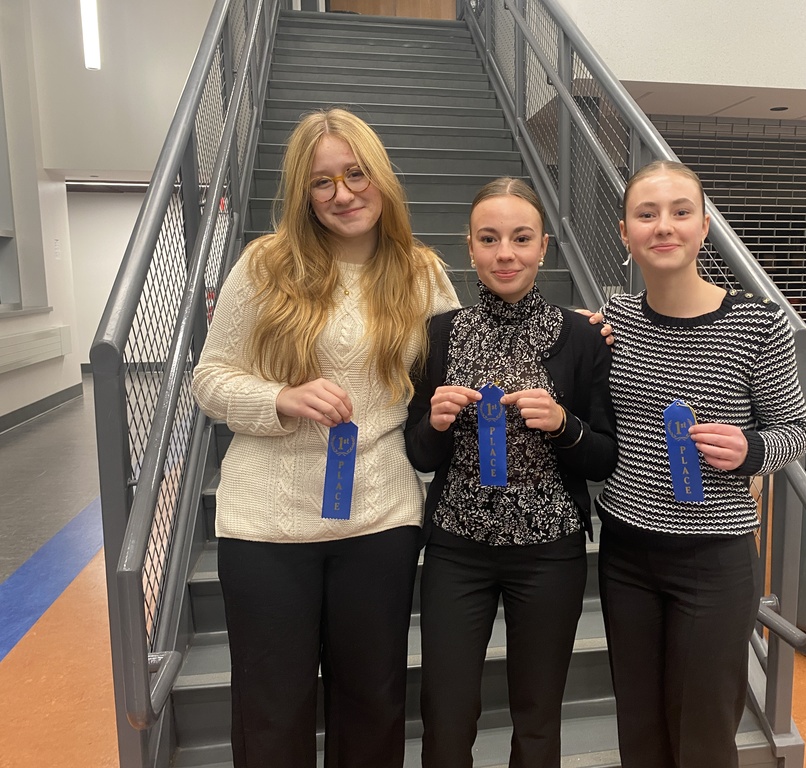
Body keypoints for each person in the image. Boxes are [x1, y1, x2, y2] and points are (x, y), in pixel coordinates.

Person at [192, 108, 459, 768]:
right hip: (266, 527)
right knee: (272, 710)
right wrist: (279, 398)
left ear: (380, 178)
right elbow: (210, 378)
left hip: (379, 518)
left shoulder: (422, 272)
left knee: (373, 704)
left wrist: (575, 332)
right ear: (302, 194)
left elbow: (469, 358)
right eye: (322, 182)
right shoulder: (265, 265)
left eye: (355, 173)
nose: (343, 194)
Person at [597, 160, 806, 768]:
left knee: (703, 737)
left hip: (714, 560)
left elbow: (796, 434)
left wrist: (752, 449)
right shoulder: (612, 324)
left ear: (704, 226)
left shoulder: (758, 322)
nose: (663, 226)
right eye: (647, 214)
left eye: (680, 212)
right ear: (625, 233)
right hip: (627, 553)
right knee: (638, 728)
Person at [404, 177, 617, 768]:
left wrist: (563, 424)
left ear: (543, 247)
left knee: (538, 711)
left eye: (521, 238)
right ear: (468, 247)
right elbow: (420, 454)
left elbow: (603, 454)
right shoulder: (441, 333)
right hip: (458, 547)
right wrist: (437, 423)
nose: (506, 254)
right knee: (446, 713)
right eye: (490, 239)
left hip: (550, 549)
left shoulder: (580, 336)